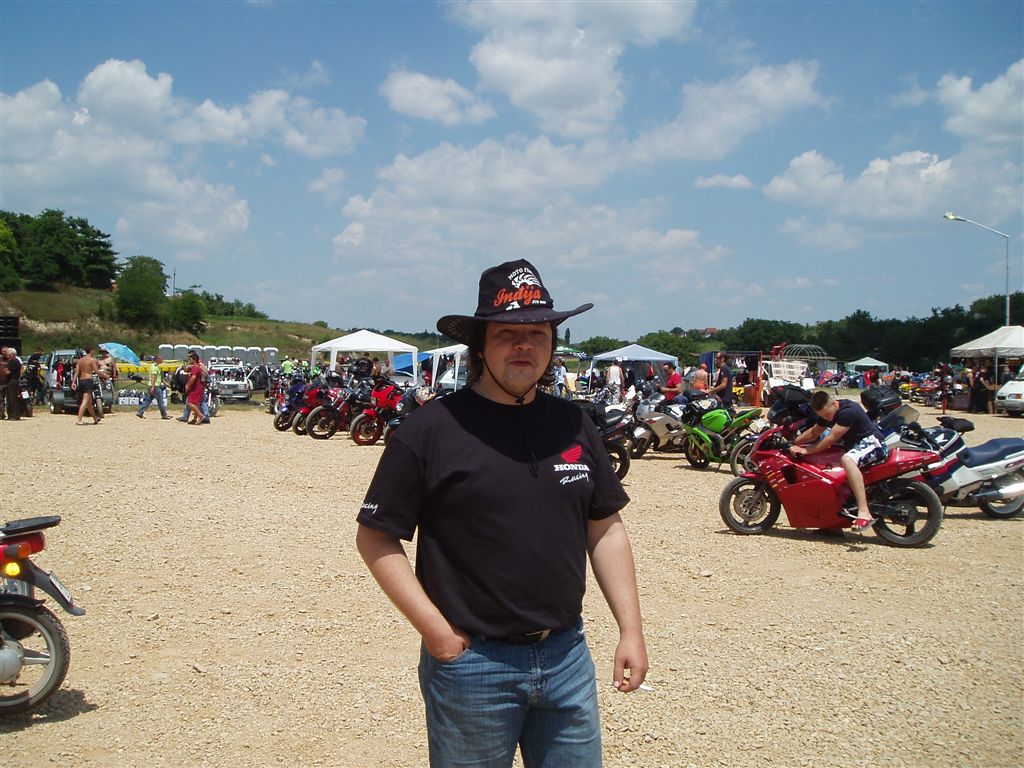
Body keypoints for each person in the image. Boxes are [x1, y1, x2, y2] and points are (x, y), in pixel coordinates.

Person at [356, 259, 648, 767]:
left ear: (552, 346)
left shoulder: (574, 423)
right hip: (473, 666)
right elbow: (376, 536)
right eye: (507, 334)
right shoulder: (431, 430)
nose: (523, 346)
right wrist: (437, 634)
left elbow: (604, 528)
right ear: (480, 347)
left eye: (537, 334)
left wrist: (631, 629)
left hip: (567, 658)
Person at [790, 390, 887, 531]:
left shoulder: (848, 411)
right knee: (826, 472)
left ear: (835, 404)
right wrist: (794, 442)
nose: (827, 418)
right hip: (855, 446)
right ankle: (834, 523)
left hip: (873, 443)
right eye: (823, 416)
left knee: (847, 460)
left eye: (827, 414)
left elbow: (831, 438)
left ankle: (864, 512)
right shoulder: (829, 412)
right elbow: (815, 432)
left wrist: (806, 450)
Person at [75, 346, 102, 425]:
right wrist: (104, 376)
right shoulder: (92, 360)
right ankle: (79, 419)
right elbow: (97, 371)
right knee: (85, 401)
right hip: (88, 380)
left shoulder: (80, 360)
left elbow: (77, 372)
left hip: (81, 380)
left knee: (89, 403)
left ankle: (95, 418)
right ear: (91, 350)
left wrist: (73, 381)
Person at [183, 350, 207, 425]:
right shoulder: (195, 367)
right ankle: (195, 419)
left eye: (190, 359)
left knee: (190, 403)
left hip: (195, 388)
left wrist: (188, 385)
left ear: (194, 360)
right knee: (196, 404)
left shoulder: (195, 367)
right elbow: (186, 370)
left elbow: (193, 377)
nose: (189, 360)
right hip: (198, 388)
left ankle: (201, 416)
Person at [3, 347, 21, 421]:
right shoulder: (10, 361)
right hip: (9, 381)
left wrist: (5, 370)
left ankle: (16, 415)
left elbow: (7, 372)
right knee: (9, 399)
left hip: (13, 381)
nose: (8, 356)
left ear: (14, 355)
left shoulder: (15, 362)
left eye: (9, 355)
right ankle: (10, 415)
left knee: (13, 398)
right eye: (7, 355)